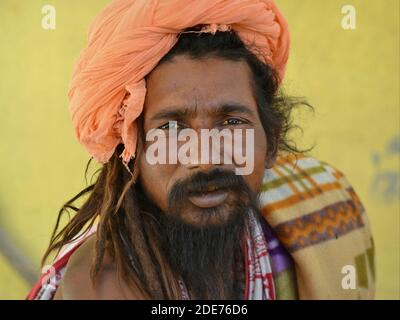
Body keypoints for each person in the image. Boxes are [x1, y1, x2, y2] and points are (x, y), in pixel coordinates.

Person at [27, 0, 375, 300]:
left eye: (233, 123)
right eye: (171, 128)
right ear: (130, 150)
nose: (205, 157)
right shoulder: (102, 286)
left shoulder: (326, 203)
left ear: (271, 141)